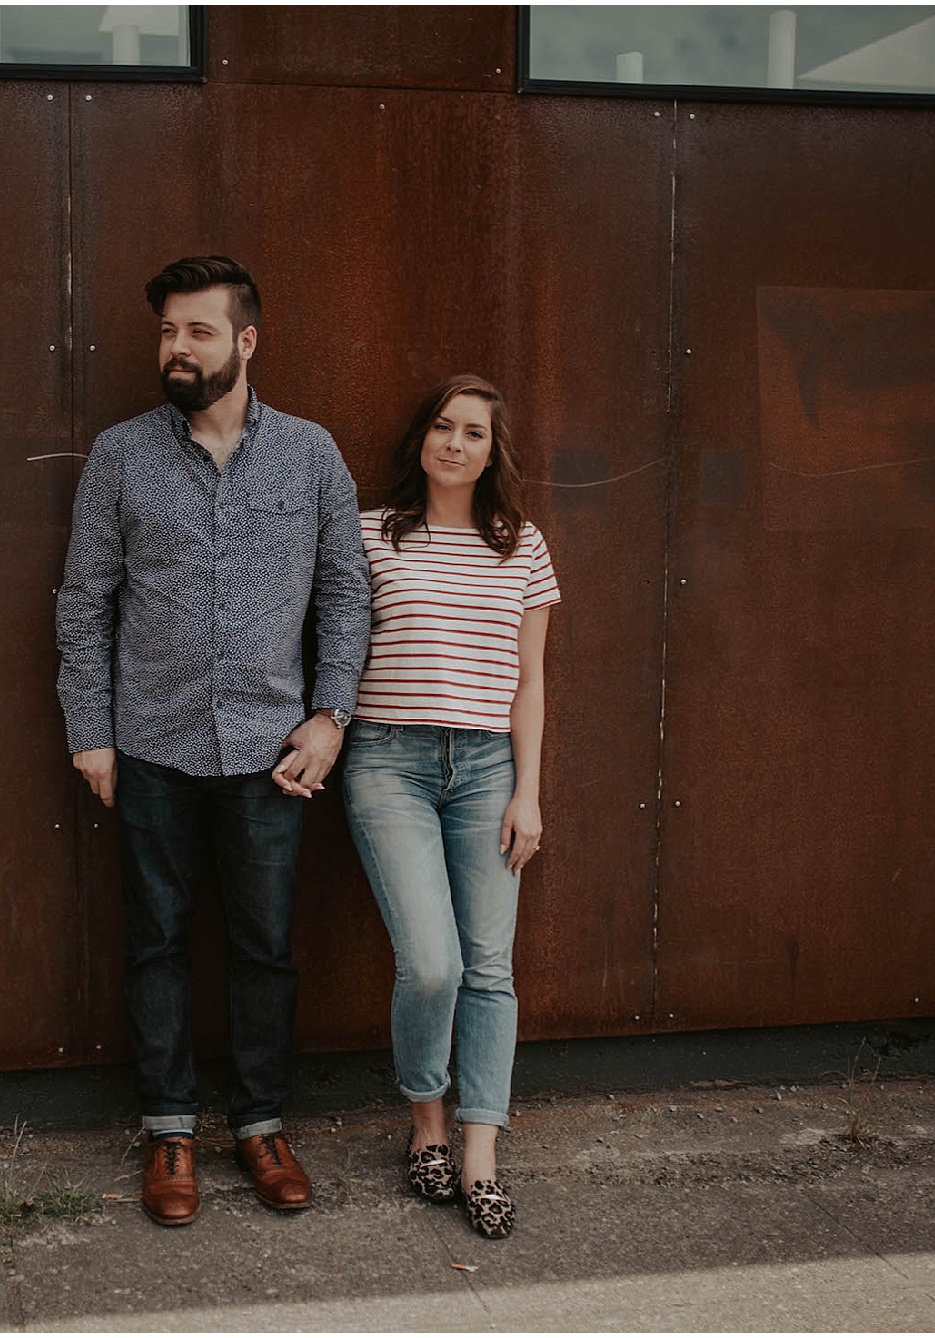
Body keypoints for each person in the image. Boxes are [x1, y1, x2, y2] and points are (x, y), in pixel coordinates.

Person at [55, 255, 371, 1227]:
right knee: (154, 942)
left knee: (264, 946)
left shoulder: (311, 455)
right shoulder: (120, 454)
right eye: (165, 332)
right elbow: (83, 602)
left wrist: (330, 716)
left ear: (244, 341)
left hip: (272, 753)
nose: (175, 348)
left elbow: (347, 593)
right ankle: (168, 1130)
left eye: (195, 331)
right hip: (148, 744)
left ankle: (261, 1122)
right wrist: (90, 733)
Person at [340, 374, 558, 1240]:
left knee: (489, 966)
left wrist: (528, 792)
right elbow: (334, 649)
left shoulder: (524, 546)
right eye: (442, 426)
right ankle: (424, 1118)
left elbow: (532, 683)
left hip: (487, 769)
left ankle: (478, 1154)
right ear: (422, 439)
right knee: (432, 964)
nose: (455, 444)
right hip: (388, 760)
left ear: (491, 452)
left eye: (473, 433)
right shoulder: (370, 535)